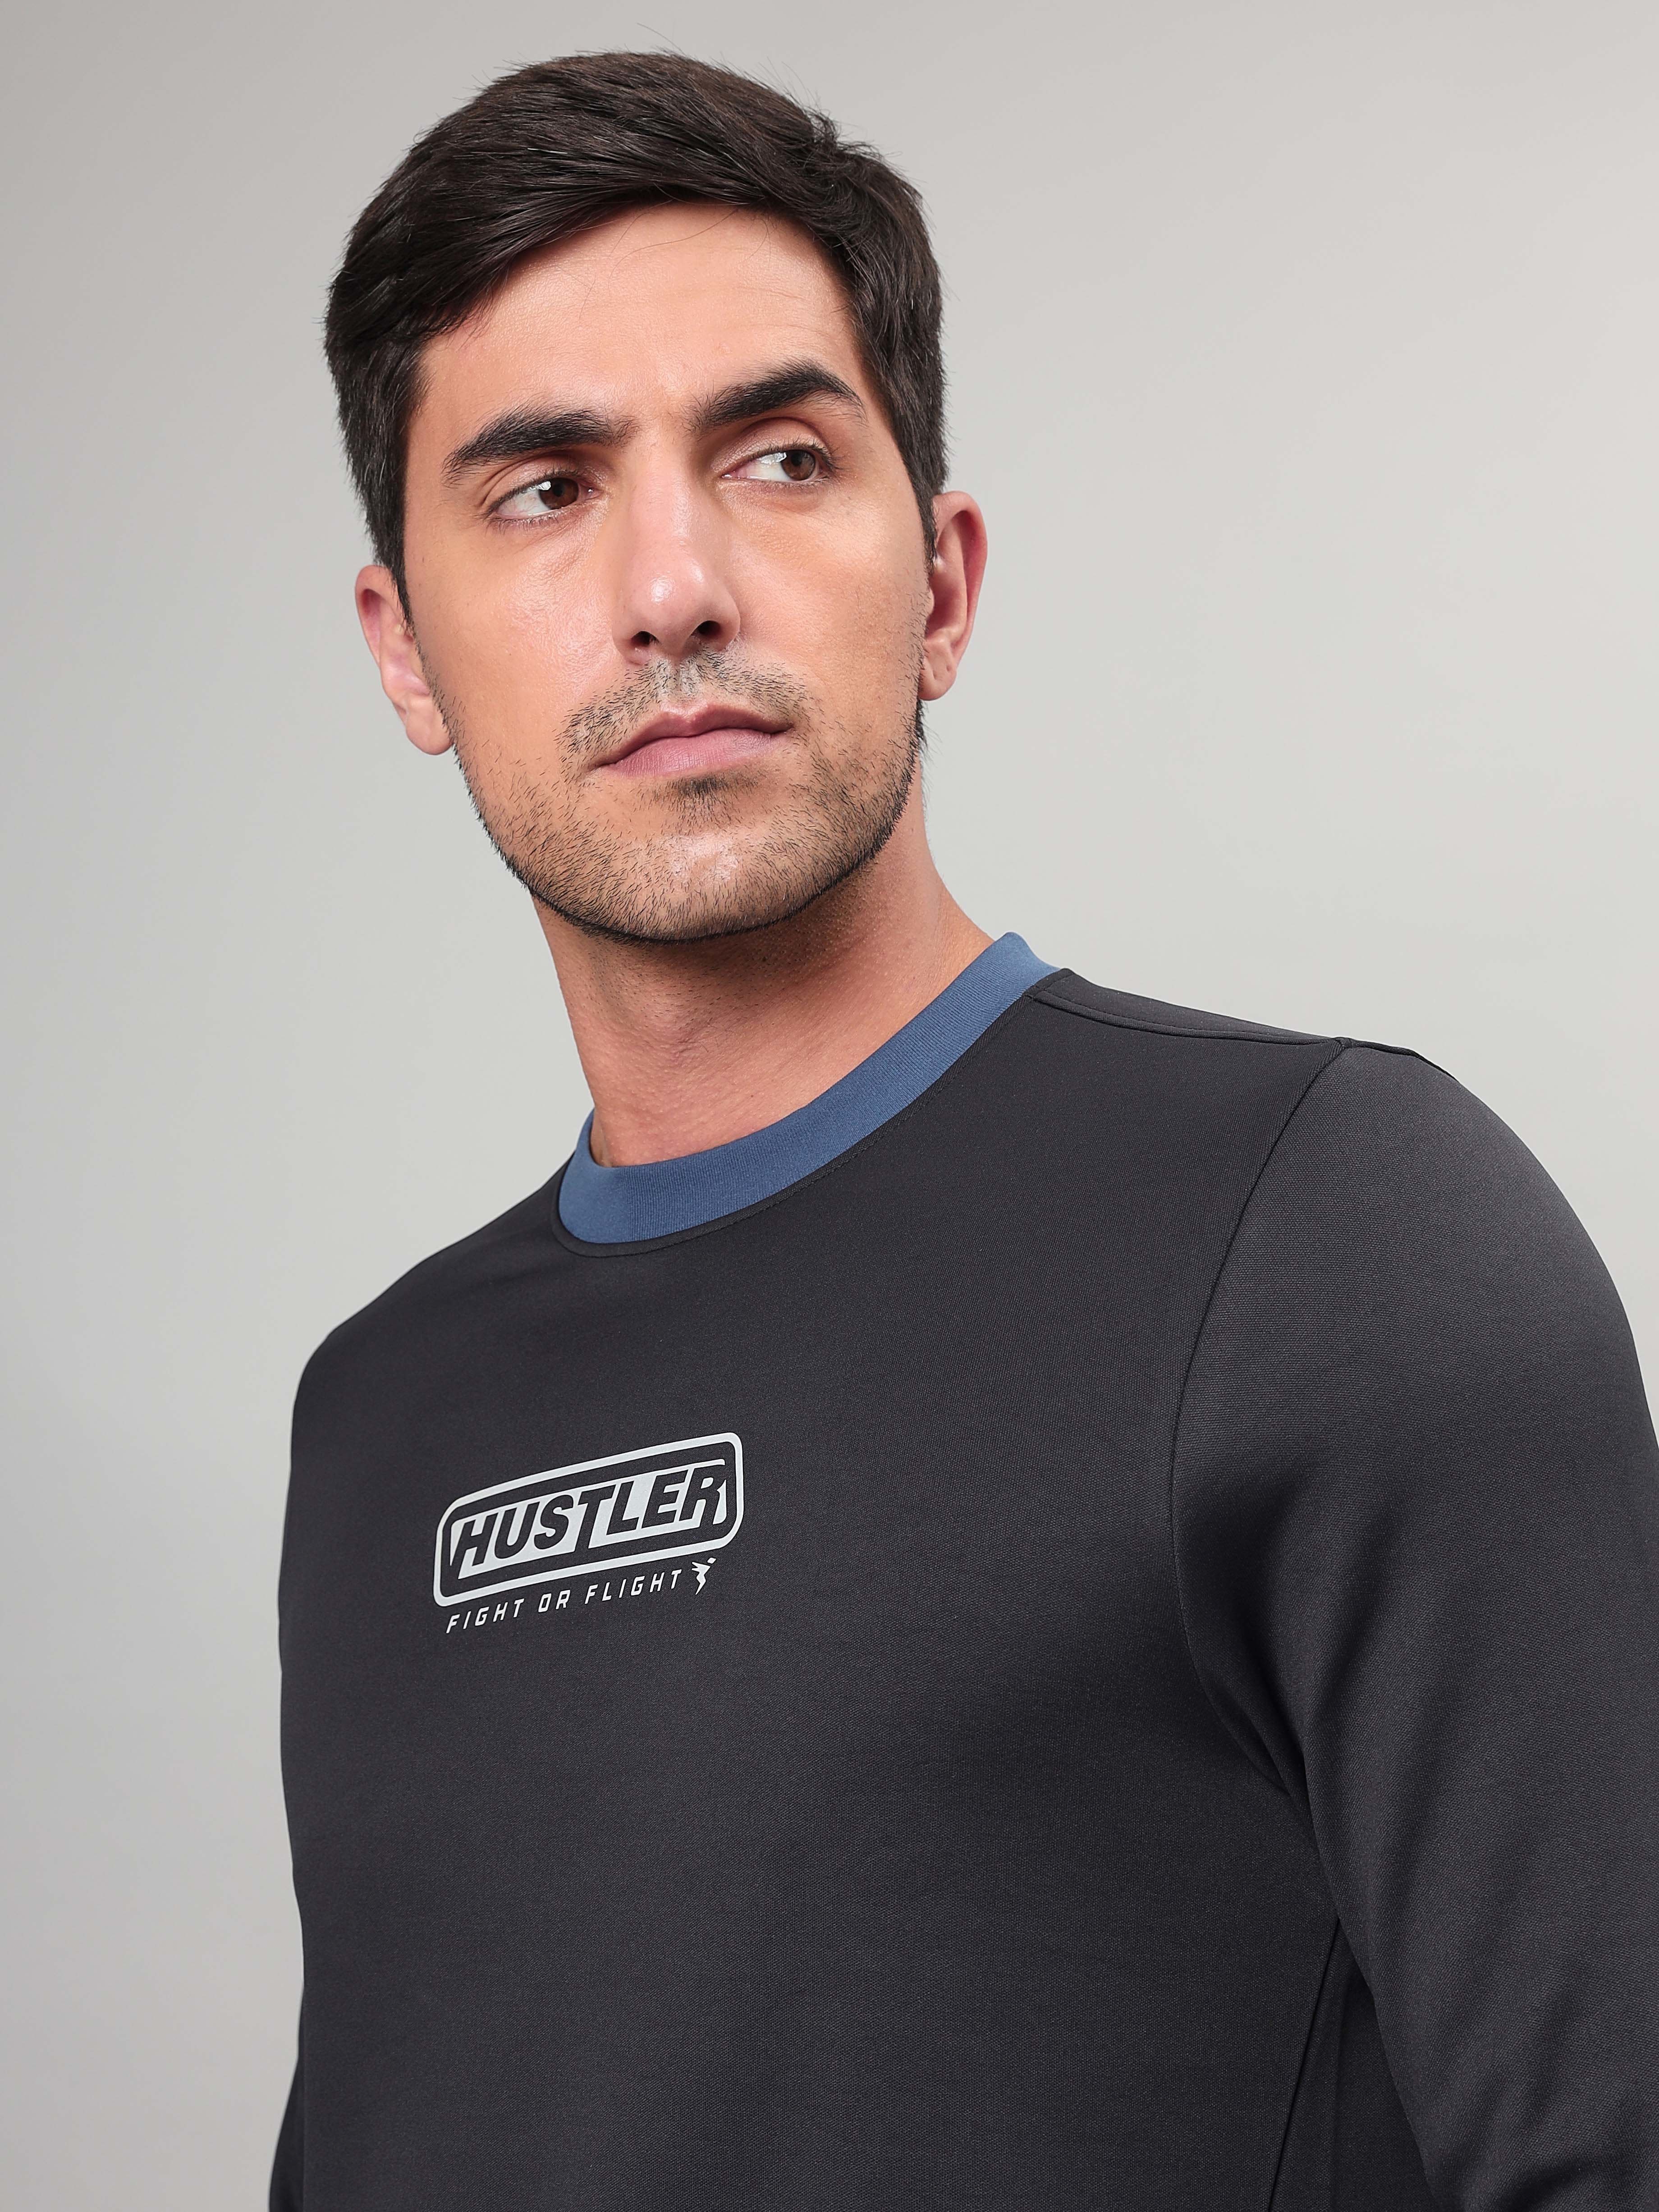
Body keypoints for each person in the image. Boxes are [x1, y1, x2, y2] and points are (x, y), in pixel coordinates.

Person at [271, 51, 1659, 2212]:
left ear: (936, 583)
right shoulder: (381, 1417)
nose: (672, 586)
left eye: (779, 458)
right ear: (405, 653)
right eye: (542, 489)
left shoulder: (1327, 1229)